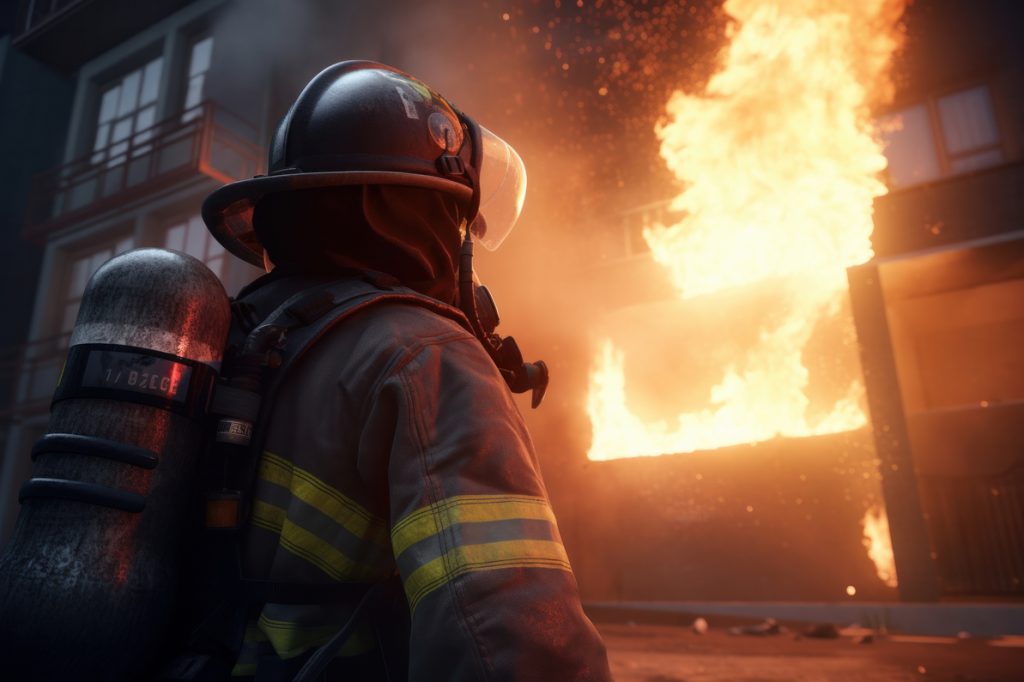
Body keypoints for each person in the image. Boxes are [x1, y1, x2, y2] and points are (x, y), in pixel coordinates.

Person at [198, 60, 612, 680]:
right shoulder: (425, 355)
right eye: (460, 222)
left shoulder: (226, 341)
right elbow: (505, 641)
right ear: (425, 214)